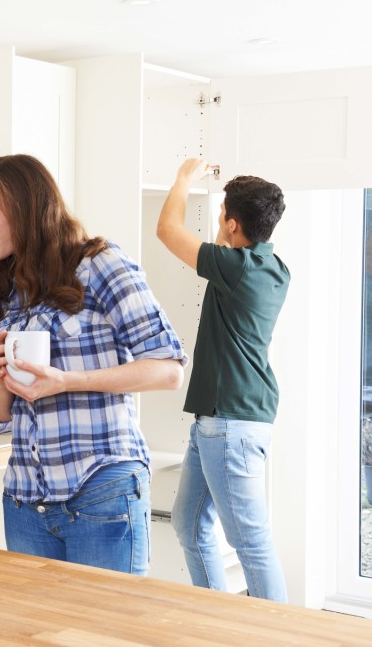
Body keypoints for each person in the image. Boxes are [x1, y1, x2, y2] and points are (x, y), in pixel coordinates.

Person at [0, 153, 187, 575]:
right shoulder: (7, 291)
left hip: (101, 491)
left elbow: (168, 368)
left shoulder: (99, 263)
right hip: (26, 503)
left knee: (105, 635)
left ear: (26, 204)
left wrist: (66, 381)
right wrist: (5, 380)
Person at [157, 158, 290, 602]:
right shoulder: (272, 268)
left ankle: (276, 632)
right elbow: (223, 246)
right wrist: (226, 223)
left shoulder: (236, 267)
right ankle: (219, 616)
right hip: (224, 418)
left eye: (222, 218)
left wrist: (183, 179)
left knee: (251, 541)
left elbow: (167, 231)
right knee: (189, 524)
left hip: (229, 422)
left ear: (232, 224)